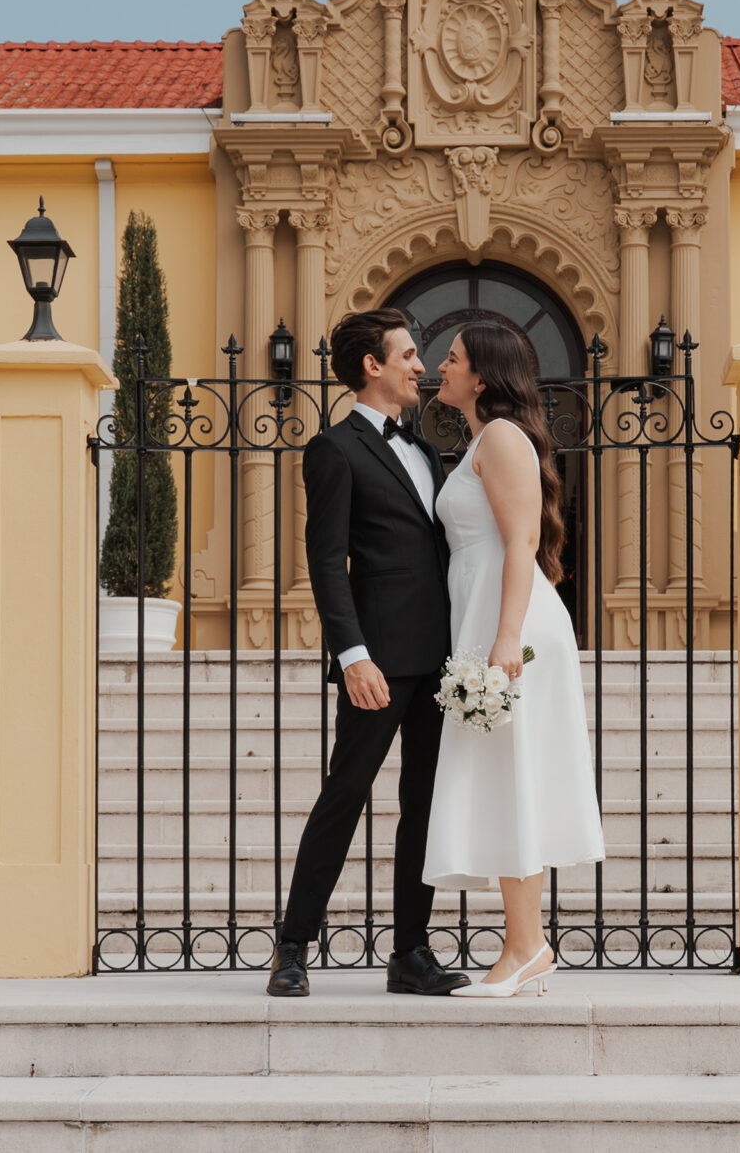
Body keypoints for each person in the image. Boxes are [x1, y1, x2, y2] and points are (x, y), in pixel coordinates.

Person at [269, 308, 474, 998]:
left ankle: (410, 952)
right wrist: (352, 654)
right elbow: (327, 561)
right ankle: (293, 946)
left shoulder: (424, 449)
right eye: (409, 354)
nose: (421, 366)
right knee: (345, 793)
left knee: (424, 803)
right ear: (372, 364)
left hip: (440, 659)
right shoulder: (334, 449)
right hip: (378, 660)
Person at [420, 320, 607, 998]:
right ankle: (527, 944)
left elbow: (522, 541)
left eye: (453, 358)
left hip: (512, 627)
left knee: (514, 775)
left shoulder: (500, 437)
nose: (440, 367)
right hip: (488, 618)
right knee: (507, 779)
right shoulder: (483, 439)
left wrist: (504, 638)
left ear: (482, 377)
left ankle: (526, 946)